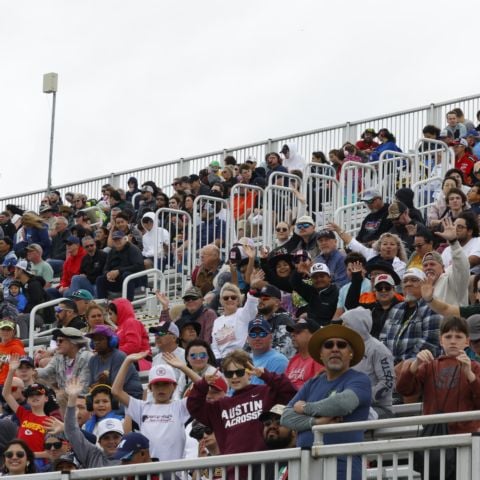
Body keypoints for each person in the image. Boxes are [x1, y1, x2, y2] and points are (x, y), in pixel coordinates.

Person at [281, 324, 371, 480]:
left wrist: (305, 407)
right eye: (329, 345)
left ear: (350, 353)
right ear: (321, 355)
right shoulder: (312, 383)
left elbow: (343, 404)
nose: (335, 349)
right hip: (306, 469)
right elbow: (286, 417)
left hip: (344, 468)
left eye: (341, 345)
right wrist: (318, 422)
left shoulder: (359, 379)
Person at [186, 349, 296, 466]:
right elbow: (193, 406)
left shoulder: (266, 393)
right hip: (234, 470)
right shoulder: (220, 406)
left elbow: (290, 393)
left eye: (239, 372)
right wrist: (202, 384)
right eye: (229, 373)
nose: (234, 377)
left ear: (249, 373)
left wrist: (266, 375)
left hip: (264, 466)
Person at [397, 316, 480, 435]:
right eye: (448, 336)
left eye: (458, 337)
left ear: (467, 341)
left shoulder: (475, 367)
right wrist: (415, 364)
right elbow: (404, 390)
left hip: (466, 438)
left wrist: (470, 375)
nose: (453, 341)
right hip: (434, 435)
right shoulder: (428, 366)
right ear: (441, 340)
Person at [112, 353, 191, 462]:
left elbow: (203, 389)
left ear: (174, 386)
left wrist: (183, 367)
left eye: (165, 384)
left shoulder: (180, 406)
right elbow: (116, 391)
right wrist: (127, 361)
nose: (161, 388)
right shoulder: (141, 407)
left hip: (175, 473)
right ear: (150, 387)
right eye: (157, 384)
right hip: (150, 473)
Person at [340, 307, 394, 418]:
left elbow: (388, 382)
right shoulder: (345, 348)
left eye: (346, 324)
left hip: (378, 409)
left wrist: (361, 398)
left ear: (357, 326)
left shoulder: (377, 349)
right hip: (351, 406)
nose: (342, 328)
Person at [380, 268, 442, 365]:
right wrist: (387, 364)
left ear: (424, 285)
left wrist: (404, 365)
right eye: (405, 281)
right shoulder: (395, 309)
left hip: (418, 368)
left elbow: (430, 343)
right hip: (391, 367)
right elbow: (383, 338)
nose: (408, 284)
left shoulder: (432, 307)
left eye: (414, 280)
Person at [2, 354, 50, 457]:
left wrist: (29, 455)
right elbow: (6, 394)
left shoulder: (50, 421)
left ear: (46, 398)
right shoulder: (23, 414)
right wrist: (11, 371)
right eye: (31, 395)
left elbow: (52, 453)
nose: (35, 397)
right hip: (21, 460)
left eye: (38, 394)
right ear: (27, 400)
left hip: (38, 464)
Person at [86, 325, 143, 399]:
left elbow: (115, 387)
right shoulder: (93, 360)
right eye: (94, 340)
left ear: (110, 341)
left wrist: (99, 384)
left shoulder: (119, 356)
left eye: (100, 339)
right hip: (107, 399)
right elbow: (91, 386)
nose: (96, 342)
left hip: (130, 397)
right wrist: (99, 384)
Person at [422, 218, 470, 305]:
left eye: (432, 264)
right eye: (425, 265)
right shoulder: (422, 285)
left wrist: (453, 242)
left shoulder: (452, 280)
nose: (428, 267)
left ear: (443, 268)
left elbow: (462, 268)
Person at [36, 327, 93, 393]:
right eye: (57, 341)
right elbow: (46, 372)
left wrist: (60, 393)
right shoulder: (59, 357)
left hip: (81, 398)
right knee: (37, 379)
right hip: (65, 397)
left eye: (61, 341)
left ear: (72, 343)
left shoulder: (86, 356)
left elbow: (83, 387)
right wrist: (33, 373)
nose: (57, 344)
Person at [211, 282, 258, 360]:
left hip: (241, 358)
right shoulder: (217, 321)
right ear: (221, 301)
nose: (229, 300)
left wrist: (253, 289)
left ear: (238, 300)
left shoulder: (242, 313)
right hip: (222, 360)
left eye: (233, 297)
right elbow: (215, 346)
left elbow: (251, 305)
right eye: (226, 298)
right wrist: (218, 360)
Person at [96, 230, 145, 302]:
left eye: (119, 239)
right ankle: (103, 305)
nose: (117, 241)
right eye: (115, 240)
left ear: (125, 239)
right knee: (100, 279)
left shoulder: (133, 249)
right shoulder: (112, 251)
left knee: (127, 275)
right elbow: (105, 268)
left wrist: (119, 271)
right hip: (118, 280)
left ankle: (128, 303)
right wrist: (108, 274)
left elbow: (139, 266)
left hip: (135, 279)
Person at [290, 261, 338, 326]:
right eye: (315, 277)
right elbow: (295, 283)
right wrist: (298, 272)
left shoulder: (337, 293)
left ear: (330, 278)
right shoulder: (312, 291)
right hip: (310, 331)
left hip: (327, 331)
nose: (319, 279)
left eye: (322, 276)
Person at [107, 299, 151, 371]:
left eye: (111, 313)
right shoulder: (120, 328)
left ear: (119, 312)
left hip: (139, 362)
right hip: (128, 361)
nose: (109, 317)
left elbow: (133, 346)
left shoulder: (131, 322)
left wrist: (111, 352)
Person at [149, 320, 187, 399]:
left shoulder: (185, 355)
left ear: (174, 337)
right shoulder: (156, 358)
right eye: (156, 334)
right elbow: (151, 385)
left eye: (161, 333)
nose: (157, 336)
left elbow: (182, 384)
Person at [247, 317, 289, 384]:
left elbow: (273, 391)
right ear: (248, 338)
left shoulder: (278, 360)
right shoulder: (245, 359)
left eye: (262, 334)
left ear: (270, 337)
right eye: (253, 335)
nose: (257, 338)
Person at [285, 318, 323, 390]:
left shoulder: (319, 358)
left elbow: (318, 389)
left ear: (314, 335)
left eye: (298, 332)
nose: (293, 334)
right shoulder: (293, 360)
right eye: (292, 332)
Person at [0, 319, 25, 388]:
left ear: (14, 332)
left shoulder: (17, 348)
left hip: (7, 385)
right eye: (3, 329)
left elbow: (21, 370)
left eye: (8, 329)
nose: (5, 332)